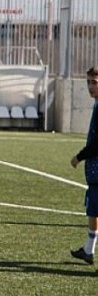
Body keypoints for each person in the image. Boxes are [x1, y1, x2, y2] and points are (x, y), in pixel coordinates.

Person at [69, 65, 98, 266]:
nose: (90, 86)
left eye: (94, 83)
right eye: (88, 82)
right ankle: (88, 250)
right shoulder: (96, 104)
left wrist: (79, 156)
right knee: (93, 209)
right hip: (95, 170)